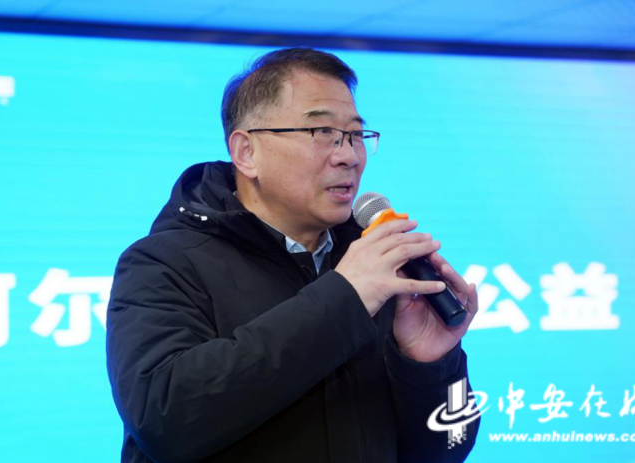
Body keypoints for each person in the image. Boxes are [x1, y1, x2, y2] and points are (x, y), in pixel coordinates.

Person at [106, 47, 480, 463]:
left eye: (356, 135)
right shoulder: (163, 262)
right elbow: (164, 421)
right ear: (246, 152)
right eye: (321, 132)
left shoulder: (378, 262)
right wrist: (345, 298)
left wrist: (430, 366)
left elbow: (449, 447)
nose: (349, 156)